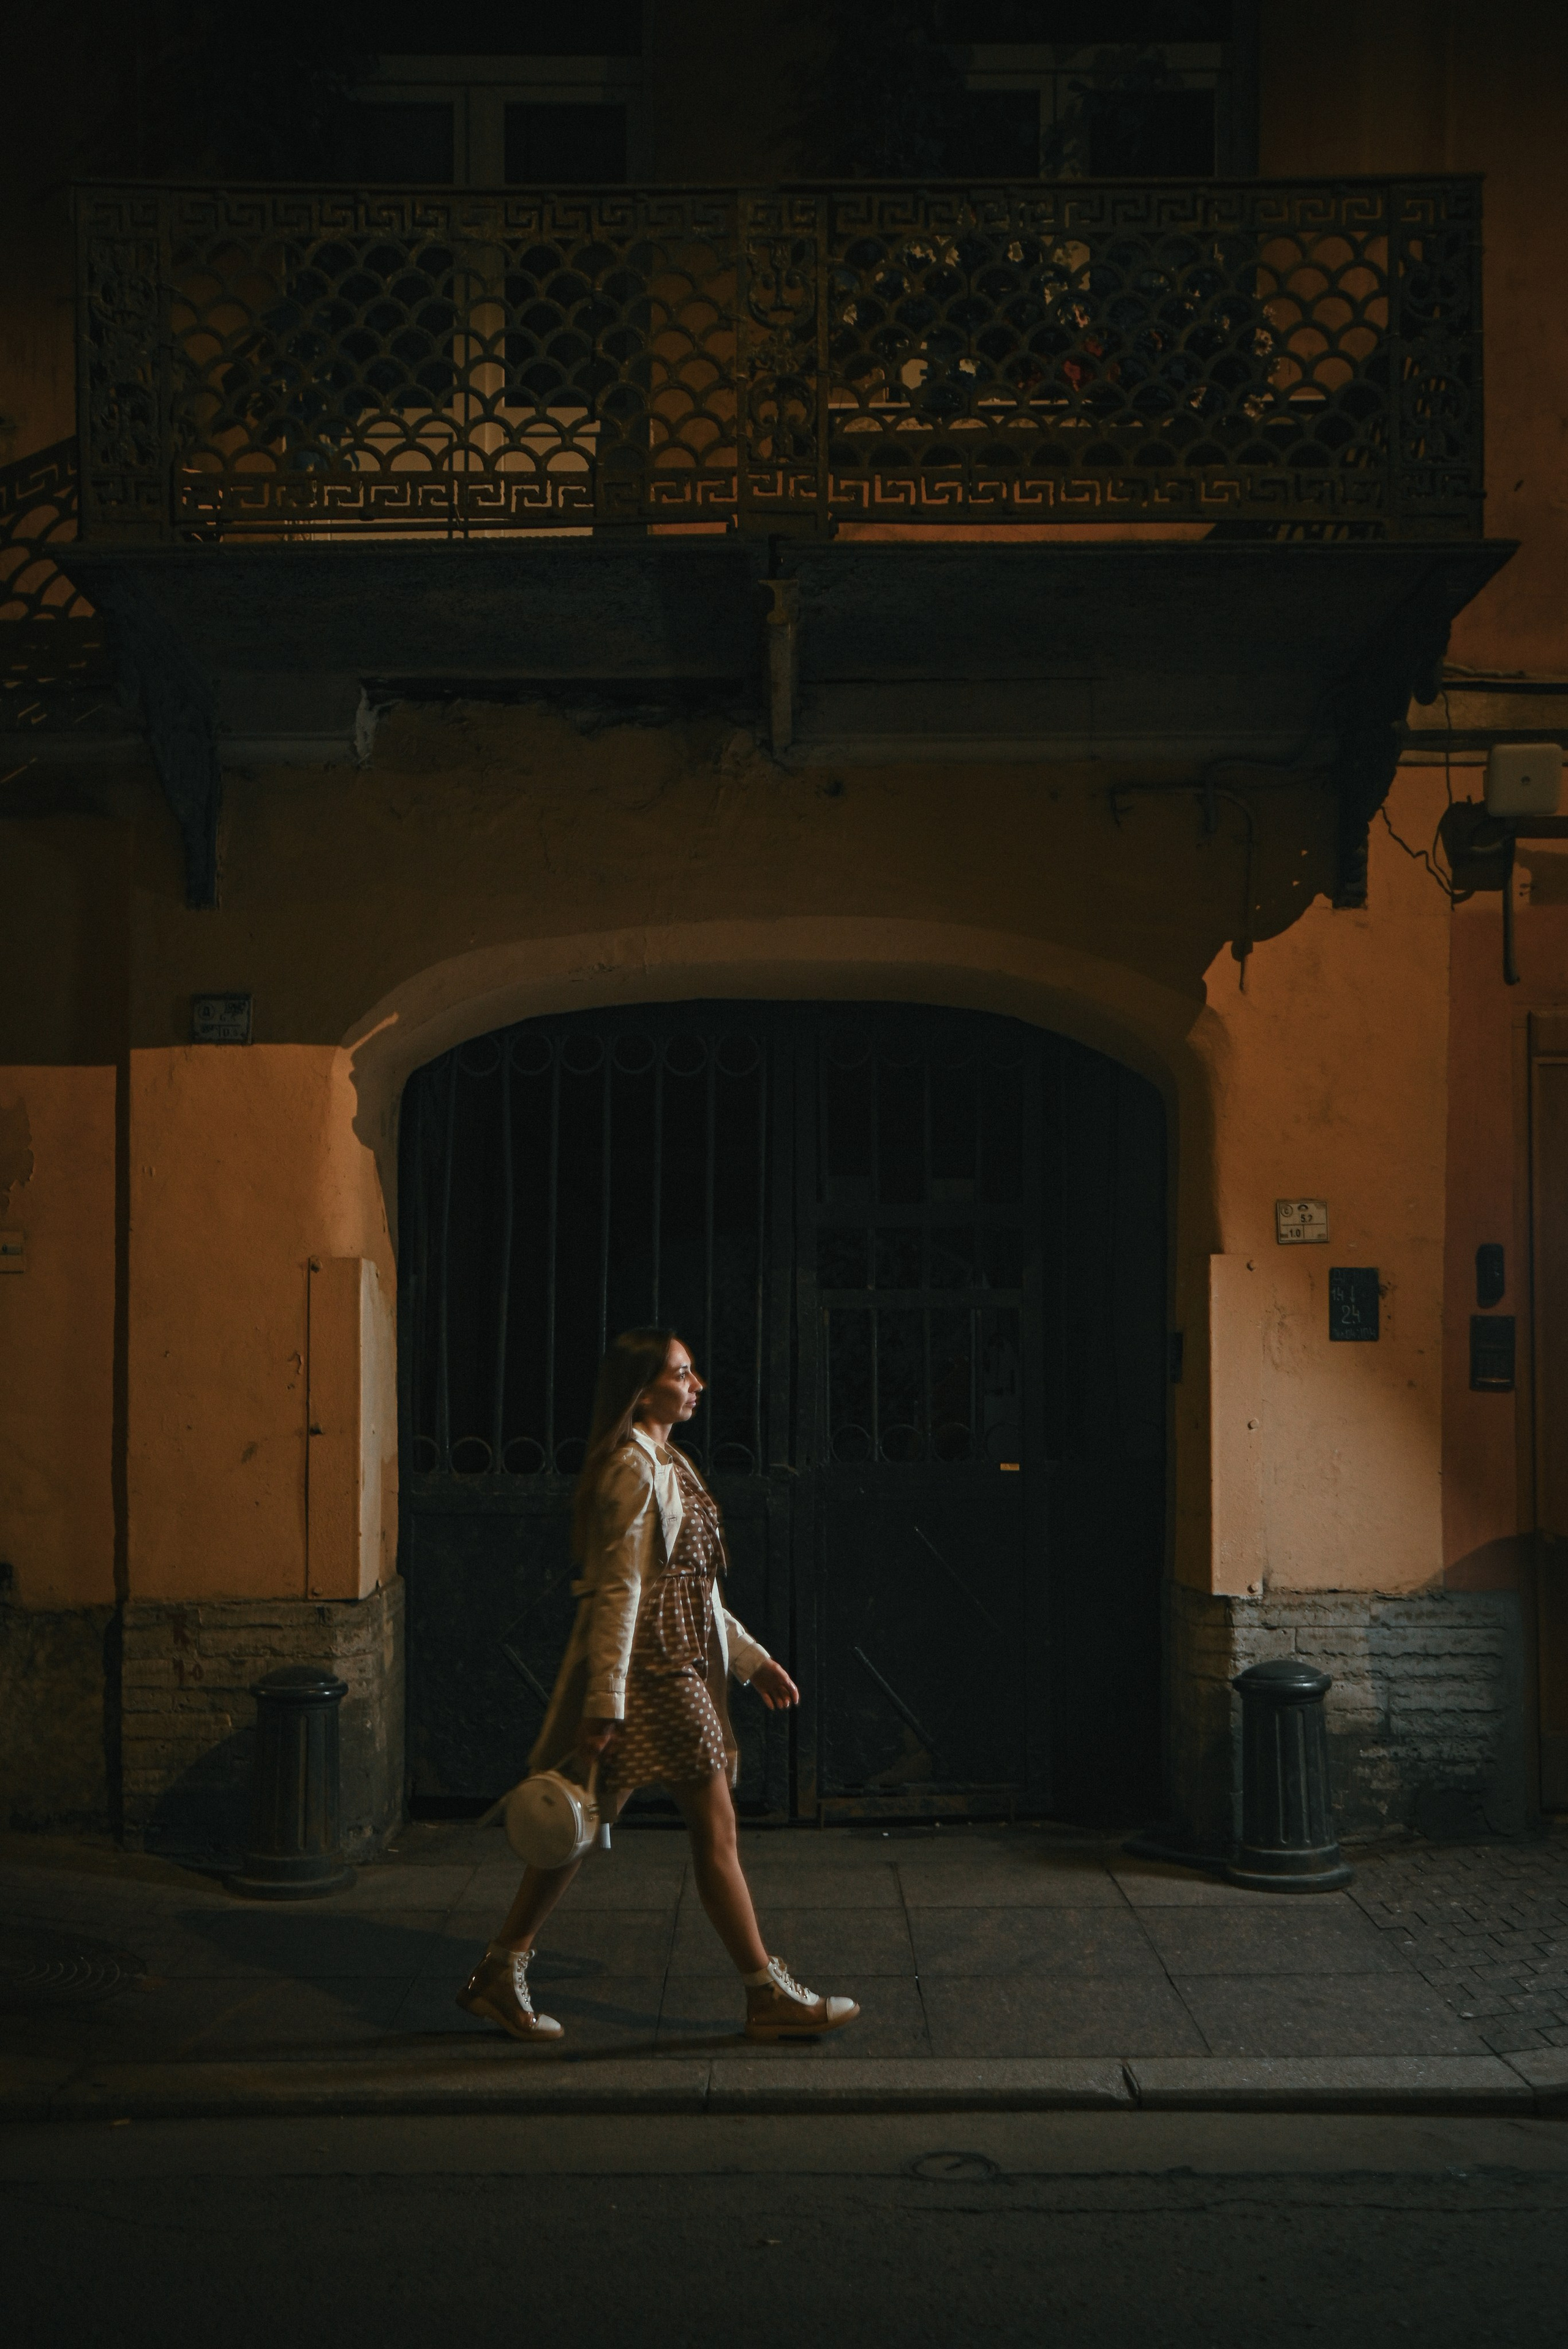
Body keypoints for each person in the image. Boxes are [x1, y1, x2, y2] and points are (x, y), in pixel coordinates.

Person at [458, 1326, 861, 2046]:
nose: (696, 1382)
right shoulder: (630, 1470)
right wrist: (606, 1703)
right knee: (714, 1830)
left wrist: (749, 1659)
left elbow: (693, 1590)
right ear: (642, 1391)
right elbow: (619, 1592)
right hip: (654, 1672)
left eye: (693, 1371)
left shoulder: (671, 1460)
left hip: (677, 1663)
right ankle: (764, 1993)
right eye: (681, 1372)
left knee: (579, 1825)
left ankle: (499, 1968)